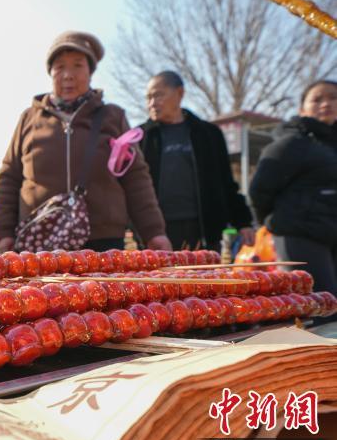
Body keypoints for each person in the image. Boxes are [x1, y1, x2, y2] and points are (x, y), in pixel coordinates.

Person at [0, 31, 171, 253]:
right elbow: (9, 178)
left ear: (90, 72)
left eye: (78, 65)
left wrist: (154, 232)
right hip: (39, 241)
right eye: (59, 67)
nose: (68, 75)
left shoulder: (113, 117)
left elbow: (136, 178)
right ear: (50, 73)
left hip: (103, 241)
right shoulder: (29, 118)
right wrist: (4, 234)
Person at [138, 71, 254, 252]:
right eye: (148, 97)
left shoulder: (208, 134)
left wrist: (243, 221)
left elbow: (225, 181)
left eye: (158, 95)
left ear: (179, 93)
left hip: (204, 230)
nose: (152, 103)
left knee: (204, 279)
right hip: (156, 232)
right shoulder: (140, 137)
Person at [250, 80, 337, 295]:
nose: (326, 103)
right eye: (317, 99)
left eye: (333, 98)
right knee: (319, 306)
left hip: (331, 233)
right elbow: (259, 190)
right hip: (300, 235)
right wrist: (272, 223)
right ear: (302, 109)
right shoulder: (292, 143)